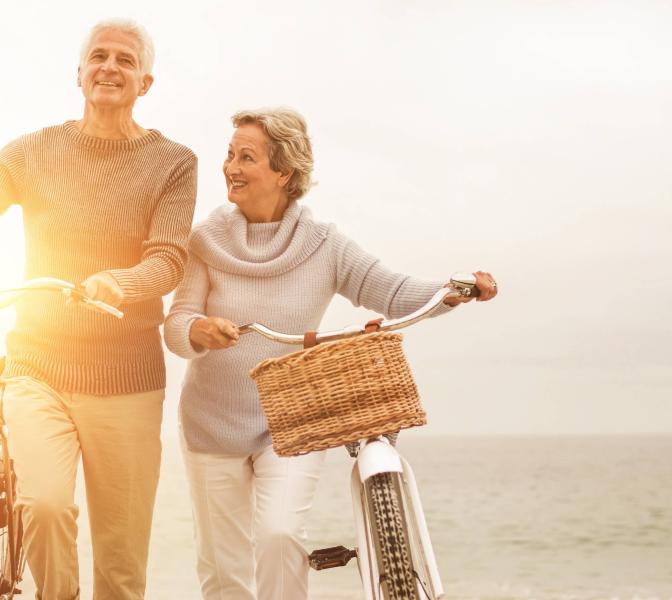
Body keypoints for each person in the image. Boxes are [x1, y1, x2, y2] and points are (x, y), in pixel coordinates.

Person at [0, 19, 197, 600]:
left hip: (126, 380)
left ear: (145, 82)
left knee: (121, 569)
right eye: (99, 57)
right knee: (44, 506)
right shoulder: (31, 151)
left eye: (125, 61)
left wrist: (117, 284)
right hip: (39, 365)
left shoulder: (173, 162)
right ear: (78, 74)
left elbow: (168, 260)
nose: (110, 68)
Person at [163, 107, 497, 600]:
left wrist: (450, 291)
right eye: (230, 154)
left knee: (279, 537)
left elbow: (390, 289)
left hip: (294, 422)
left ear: (284, 172)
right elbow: (175, 324)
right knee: (224, 569)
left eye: (247, 157)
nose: (231, 166)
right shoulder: (205, 241)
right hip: (212, 423)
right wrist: (199, 331)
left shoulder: (323, 245)